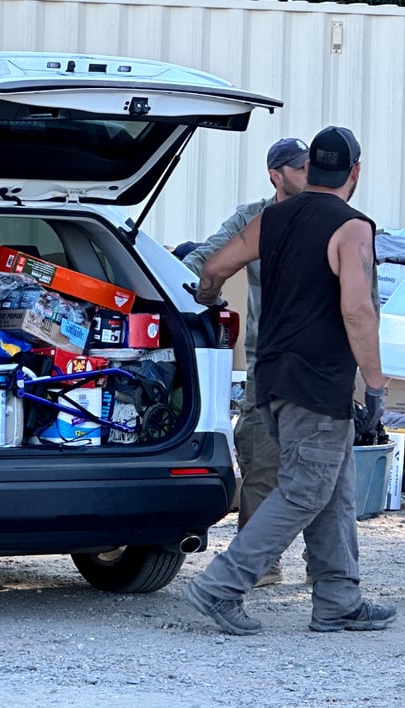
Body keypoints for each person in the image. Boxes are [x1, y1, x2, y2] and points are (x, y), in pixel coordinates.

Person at [183, 125, 396, 635]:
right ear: (355, 172)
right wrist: (375, 383)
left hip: (272, 374)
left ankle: (338, 598)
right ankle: (221, 586)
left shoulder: (270, 218)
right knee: (304, 489)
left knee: (334, 488)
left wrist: (210, 297)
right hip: (319, 379)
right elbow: (358, 311)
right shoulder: (352, 228)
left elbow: (212, 266)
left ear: (312, 169)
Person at [183, 138, 309, 586]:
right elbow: (203, 262)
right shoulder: (253, 219)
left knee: (323, 464)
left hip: (318, 361)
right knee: (263, 460)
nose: (308, 173)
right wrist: (205, 298)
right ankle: (261, 563)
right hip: (267, 362)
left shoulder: (326, 216)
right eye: (299, 167)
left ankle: (325, 569)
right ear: (276, 175)